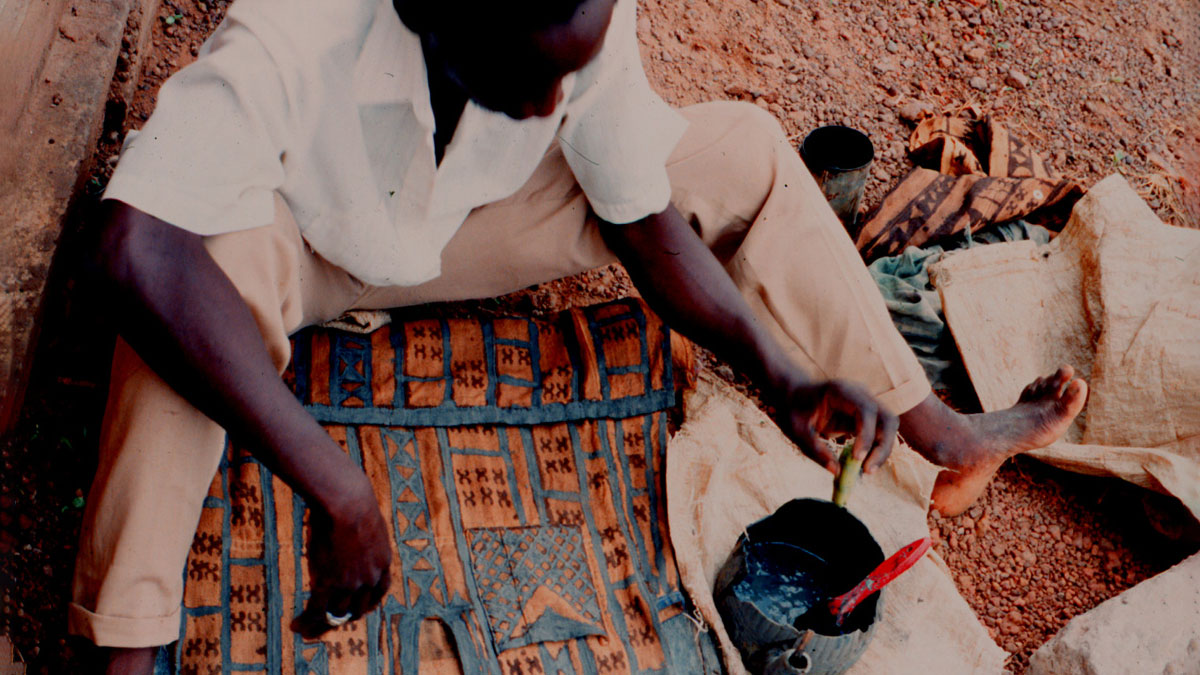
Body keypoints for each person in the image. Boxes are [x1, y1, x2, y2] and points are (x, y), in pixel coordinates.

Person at [70, 0, 1088, 671]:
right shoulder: (300, 27)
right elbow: (131, 247)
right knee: (185, 310)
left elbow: (639, 215)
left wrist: (779, 374)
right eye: (533, 75)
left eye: (572, 71)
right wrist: (335, 484)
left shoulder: (572, 9)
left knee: (737, 150)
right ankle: (123, 643)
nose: (560, 101)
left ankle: (936, 433)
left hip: (454, 224)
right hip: (293, 233)